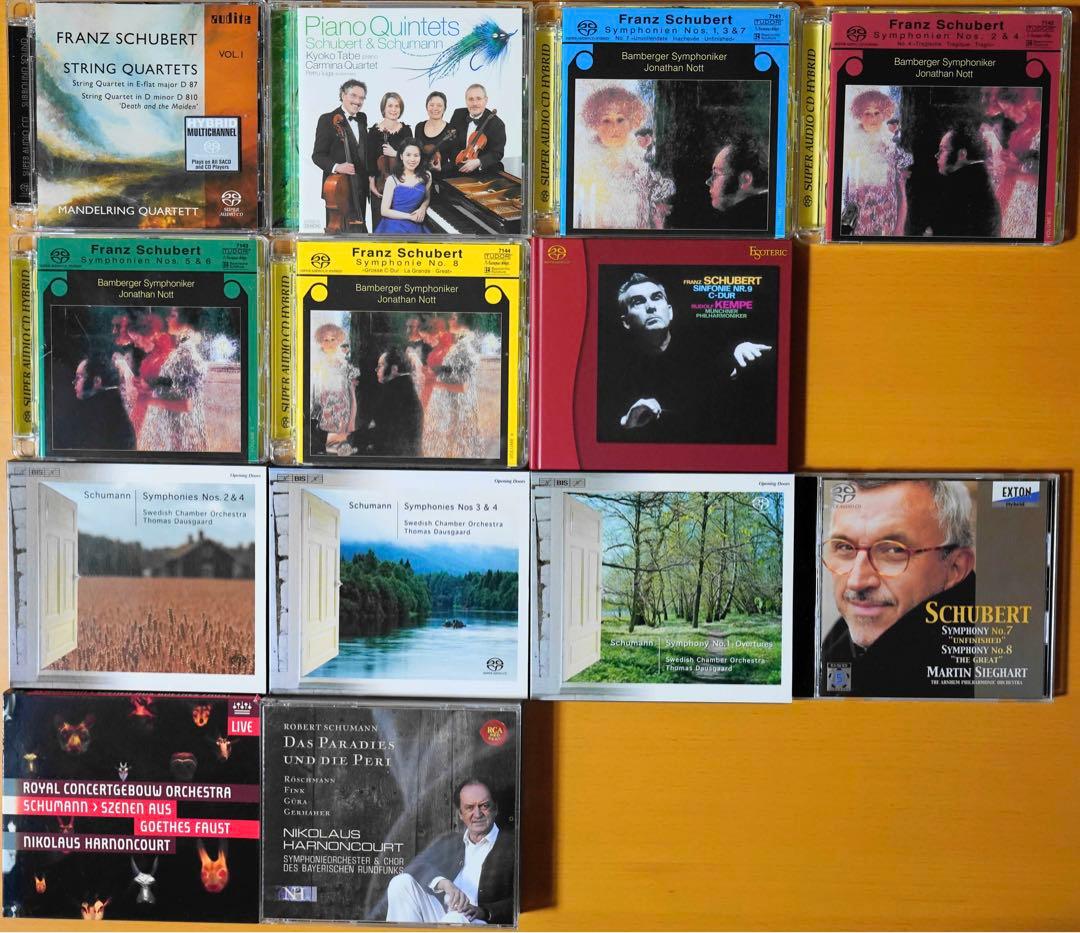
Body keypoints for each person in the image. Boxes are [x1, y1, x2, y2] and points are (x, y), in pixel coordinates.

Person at [819, 479, 977, 698]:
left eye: (894, 550)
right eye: (845, 547)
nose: (857, 581)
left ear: (955, 568)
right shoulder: (836, 648)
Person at [596, 273, 775, 444]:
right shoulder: (614, 372)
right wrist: (626, 423)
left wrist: (740, 351)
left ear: (670, 312)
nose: (650, 307)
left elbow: (727, 373)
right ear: (626, 322)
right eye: (638, 302)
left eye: (656, 298)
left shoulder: (705, 347)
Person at [385, 779, 514, 925]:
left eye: (484, 806)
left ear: (495, 809)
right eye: (469, 808)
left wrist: (484, 911)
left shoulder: (512, 846)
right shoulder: (452, 842)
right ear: (460, 814)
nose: (477, 814)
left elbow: (521, 901)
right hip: (444, 916)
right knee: (401, 883)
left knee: (455, 918)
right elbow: (415, 866)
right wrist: (445, 884)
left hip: (480, 923)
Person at [572, 84, 674, 229]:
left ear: (631, 122)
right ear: (595, 124)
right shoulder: (585, 164)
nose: (614, 127)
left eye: (620, 119)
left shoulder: (638, 160)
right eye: (606, 120)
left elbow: (655, 200)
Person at [135, 308, 209, 453]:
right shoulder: (180, 352)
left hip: (181, 433)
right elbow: (174, 383)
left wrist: (149, 401)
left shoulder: (186, 355)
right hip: (174, 429)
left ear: (186, 323)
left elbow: (187, 405)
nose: (167, 319)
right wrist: (152, 384)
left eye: (173, 315)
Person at [840, 89, 910, 237]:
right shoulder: (851, 145)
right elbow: (845, 187)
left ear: (884, 114)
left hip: (886, 217)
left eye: (877, 113)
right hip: (859, 219)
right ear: (859, 115)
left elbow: (903, 179)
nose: (873, 118)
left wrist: (900, 226)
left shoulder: (891, 146)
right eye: (867, 113)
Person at [982, 86, 1041, 238]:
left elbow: (1050, 175)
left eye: (1007, 110)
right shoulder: (1019, 131)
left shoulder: (1040, 124)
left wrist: (1018, 166)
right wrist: (1015, 159)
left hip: (1027, 200)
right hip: (1015, 196)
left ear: (1021, 103)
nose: (1007, 115)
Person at [311, 79, 369, 233]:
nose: (358, 101)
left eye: (362, 98)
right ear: (343, 95)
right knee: (339, 230)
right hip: (339, 189)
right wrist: (337, 167)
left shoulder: (362, 118)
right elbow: (317, 155)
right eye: (353, 96)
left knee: (359, 230)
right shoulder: (327, 119)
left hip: (360, 187)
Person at [423, 314, 484, 459]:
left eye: (453, 318)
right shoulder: (461, 344)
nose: (449, 320)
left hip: (459, 408)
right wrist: (439, 370)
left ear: (464, 320)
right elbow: (455, 372)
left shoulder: (465, 347)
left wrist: (435, 383)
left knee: (458, 449)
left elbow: (463, 386)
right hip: (454, 407)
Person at [927, 124, 1000, 238]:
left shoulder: (961, 189)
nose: (936, 155)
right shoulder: (976, 181)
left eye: (942, 150)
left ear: (962, 154)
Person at [311, 322, 360, 456]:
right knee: (327, 447)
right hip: (323, 415)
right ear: (320, 342)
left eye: (333, 339)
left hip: (343, 414)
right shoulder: (317, 366)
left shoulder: (345, 366)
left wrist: (352, 420)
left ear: (339, 341)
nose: (330, 343)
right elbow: (315, 394)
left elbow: (352, 395)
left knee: (340, 448)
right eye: (326, 340)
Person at [707, 135, 773, 231]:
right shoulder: (769, 212)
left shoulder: (739, 223)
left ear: (745, 179)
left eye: (716, 173)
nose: (708, 182)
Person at [368, 92, 411, 231]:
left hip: (402, 185)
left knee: (401, 228)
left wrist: (395, 154)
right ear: (384, 108)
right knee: (380, 227)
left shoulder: (406, 131)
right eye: (390, 106)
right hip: (380, 186)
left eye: (397, 106)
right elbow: (369, 160)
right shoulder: (374, 132)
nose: (394, 109)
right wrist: (372, 184)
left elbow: (413, 157)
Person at [370, 346, 423, 457]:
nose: (376, 370)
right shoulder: (402, 388)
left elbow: (383, 433)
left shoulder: (395, 393)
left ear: (394, 369)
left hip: (397, 458)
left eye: (380, 366)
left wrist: (350, 437)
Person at [447, 84, 506, 176]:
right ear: (466, 101)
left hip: (483, 172)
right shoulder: (458, 114)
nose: (474, 103)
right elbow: (451, 142)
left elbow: (497, 153)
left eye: (478, 99)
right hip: (458, 169)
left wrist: (478, 162)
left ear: (485, 100)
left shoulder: (497, 124)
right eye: (471, 99)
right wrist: (459, 160)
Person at [375, 140, 431, 234]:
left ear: (420, 157)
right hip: (394, 223)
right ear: (401, 156)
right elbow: (384, 211)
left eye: (416, 155)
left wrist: (423, 208)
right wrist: (410, 217)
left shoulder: (427, 176)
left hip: (416, 223)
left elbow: (427, 198)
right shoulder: (392, 180)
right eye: (408, 155)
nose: (412, 159)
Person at [414, 91, 456, 175]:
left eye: (439, 105)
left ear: (444, 108)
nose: (435, 108)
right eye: (431, 105)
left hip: (443, 177)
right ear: (426, 107)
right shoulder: (419, 127)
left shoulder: (451, 130)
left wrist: (441, 169)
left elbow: (455, 161)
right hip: (420, 176)